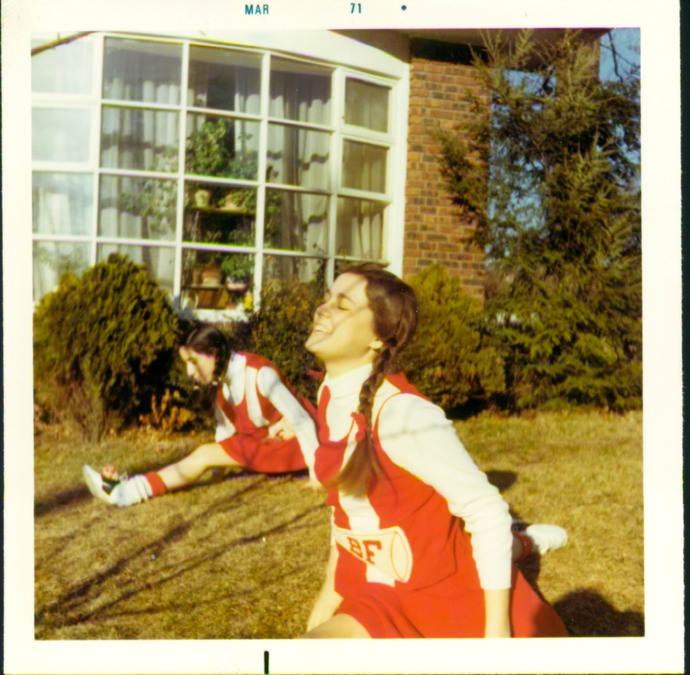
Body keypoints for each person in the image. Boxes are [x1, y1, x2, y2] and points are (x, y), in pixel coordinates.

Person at [301, 263, 568, 638]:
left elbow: (486, 511)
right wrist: (328, 595)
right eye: (326, 298)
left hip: (444, 596)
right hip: (377, 592)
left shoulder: (403, 413)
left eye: (343, 306)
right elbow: (344, 505)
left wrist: (496, 637)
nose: (323, 308)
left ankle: (522, 542)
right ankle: (520, 542)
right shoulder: (330, 390)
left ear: (378, 337)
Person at [82, 324, 319, 507]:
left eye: (193, 362)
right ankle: (124, 490)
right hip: (270, 443)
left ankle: (125, 493)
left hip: (296, 446)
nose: (189, 371)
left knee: (203, 454)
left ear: (213, 353)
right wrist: (217, 471)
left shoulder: (260, 374)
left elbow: (303, 421)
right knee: (205, 454)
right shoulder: (223, 387)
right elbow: (225, 433)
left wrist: (317, 475)